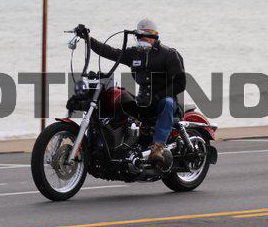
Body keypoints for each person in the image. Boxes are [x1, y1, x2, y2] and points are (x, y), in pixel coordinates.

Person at [76, 19, 186, 171]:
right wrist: (88, 39)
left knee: (167, 103)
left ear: (154, 36)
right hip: (143, 101)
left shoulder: (169, 55)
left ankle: (158, 148)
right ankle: (119, 147)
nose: (141, 39)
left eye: (144, 36)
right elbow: (110, 52)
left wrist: (159, 96)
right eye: (139, 36)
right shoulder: (135, 54)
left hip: (163, 101)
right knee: (119, 98)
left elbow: (180, 83)